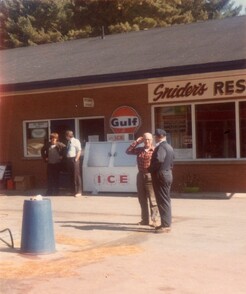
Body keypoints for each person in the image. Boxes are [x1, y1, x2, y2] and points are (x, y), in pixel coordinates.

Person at [126, 132, 158, 226]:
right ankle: (145, 220)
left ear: (152, 140)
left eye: (148, 139)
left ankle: (154, 220)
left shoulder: (155, 150)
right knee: (142, 199)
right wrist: (136, 142)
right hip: (140, 175)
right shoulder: (139, 150)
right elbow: (128, 151)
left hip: (150, 176)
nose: (147, 141)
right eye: (145, 139)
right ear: (142, 140)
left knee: (152, 199)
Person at [148, 129, 174, 233]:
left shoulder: (161, 147)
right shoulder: (169, 147)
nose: (154, 138)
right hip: (167, 173)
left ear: (158, 137)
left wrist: (150, 169)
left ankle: (166, 225)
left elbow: (159, 160)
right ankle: (165, 223)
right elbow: (172, 161)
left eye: (155, 136)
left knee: (162, 200)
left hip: (161, 175)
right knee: (165, 199)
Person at [65, 130, 82, 197]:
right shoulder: (68, 142)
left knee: (76, 175)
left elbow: (79, 150)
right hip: (69, 159)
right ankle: (72, 191)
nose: (66, 137)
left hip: (74, 159)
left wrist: (76, 159)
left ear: (68, 136)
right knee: (71, 175)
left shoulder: (76, 141)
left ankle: (79, 191)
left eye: (66, 136)